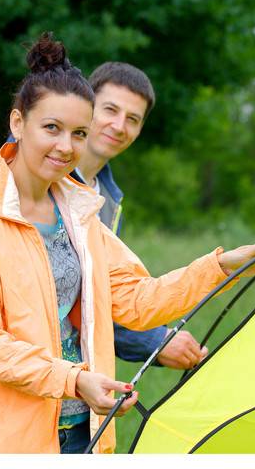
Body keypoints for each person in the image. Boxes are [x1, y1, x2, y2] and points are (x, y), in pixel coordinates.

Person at [0, 33, 255, 454]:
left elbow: (138, 300)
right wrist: (75, 379)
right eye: (52, 128)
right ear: (17, 123)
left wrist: (224, 265)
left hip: (87, 427)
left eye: (79, 133)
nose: (66, 146)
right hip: (5, 439)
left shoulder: (78, 210)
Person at [71, 62, 204, 370]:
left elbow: (106, 296)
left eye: (132, 119)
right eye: (110, 110)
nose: (119, 126)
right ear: (85, 106)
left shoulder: (110, 202)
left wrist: (162, 340)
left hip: (81, 380)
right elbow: (65, 298)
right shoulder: (43, 181)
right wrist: (155, 342)